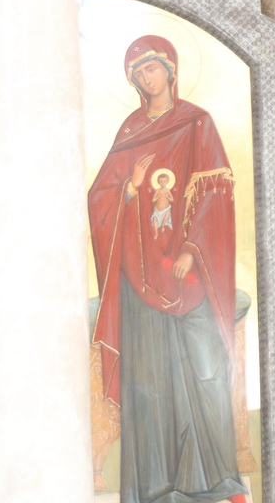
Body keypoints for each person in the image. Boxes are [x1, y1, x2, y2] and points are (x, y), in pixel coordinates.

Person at [87, 36, 248, 503]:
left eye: (151, 69)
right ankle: (153, 486)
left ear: (171, 70)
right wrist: (131, 190)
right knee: (150, 378)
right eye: (137, 73)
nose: (145, 78)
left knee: (201, 371)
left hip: (187, 275)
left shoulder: (196, 123)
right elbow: (100, 197)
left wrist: (192, 248)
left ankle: (215, 480)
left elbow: (217, 191)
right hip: (137, 278)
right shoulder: (131, 130)